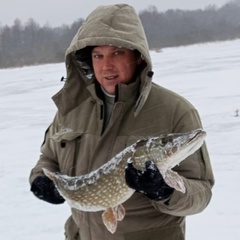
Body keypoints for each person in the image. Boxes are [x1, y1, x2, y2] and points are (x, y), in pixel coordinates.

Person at [29, 4, 214, 240]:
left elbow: (201, 193)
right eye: (98, 55)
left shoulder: (175, 111)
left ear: (137, 57)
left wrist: (165, 191)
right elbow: (47, 159)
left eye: (117, 53)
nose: (106, 66)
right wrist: (40, 180)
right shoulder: (71, 110)